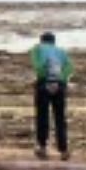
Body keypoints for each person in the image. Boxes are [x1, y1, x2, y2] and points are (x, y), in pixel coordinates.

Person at [31, 32, 74, 160]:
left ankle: (42, 147)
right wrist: (62, 79)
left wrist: (44, 75)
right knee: (60, 117)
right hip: (59, 85)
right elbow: (70, 67)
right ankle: (64, 149)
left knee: (42, 116)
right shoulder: (61, 51)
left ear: (42, 40)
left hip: (44, 84)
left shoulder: (37, 49)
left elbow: (37, 67)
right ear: (54, 41)